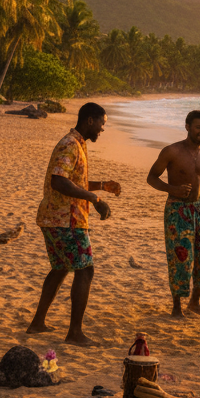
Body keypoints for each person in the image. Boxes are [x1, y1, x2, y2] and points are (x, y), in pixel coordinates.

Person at [27, 102, 122, 346]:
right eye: (102, 123)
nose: (103, 128)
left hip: (57, 218)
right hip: (65, 220)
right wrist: (94, 198)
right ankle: (75, 333)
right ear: (90, 120)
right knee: (85, 270)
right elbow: (59, 181)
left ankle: (38, 323)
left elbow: (73, 180)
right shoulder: (70, 144)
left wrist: (101, 185)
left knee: (60, 268)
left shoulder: (77, 143)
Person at [146, 110, 200, 318]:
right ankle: (177, 307)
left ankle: (195, 303)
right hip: (176, 209)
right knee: (181, 259)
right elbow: (151, 177)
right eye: (199, 127)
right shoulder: (172, 151)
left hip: (199, 208)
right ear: (188, 126)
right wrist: (171, 189)